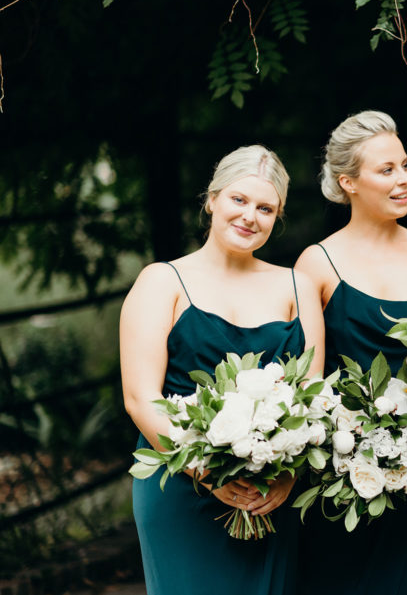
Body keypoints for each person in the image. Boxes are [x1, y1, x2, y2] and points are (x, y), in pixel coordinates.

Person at [121, 145, 325, 595]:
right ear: (212, 199)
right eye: (239, 199)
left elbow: (313, 397)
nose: (250, 216)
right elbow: (139, 399)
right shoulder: (162, 281)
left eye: (265, 208)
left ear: (277, 217)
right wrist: (209, 473)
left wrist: (288, 475)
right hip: (179, 485)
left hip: (268, 492)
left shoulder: (297, 286)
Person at [294, 111, 407, 595]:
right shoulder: (317, 263)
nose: (404, 179)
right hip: (344, 480)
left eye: (405, 165)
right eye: (386, 170)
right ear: (348, 183)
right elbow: (308, 382)